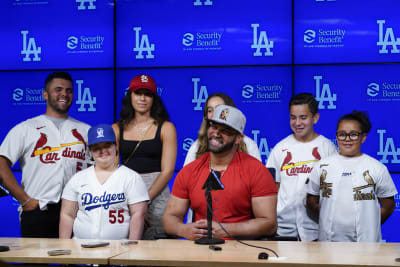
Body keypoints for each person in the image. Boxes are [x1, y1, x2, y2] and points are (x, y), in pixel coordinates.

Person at [163, 105, 277, 240]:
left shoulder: (257, 171)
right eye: (214, 127)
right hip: (200, 250)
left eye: (225, 131)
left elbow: (269, 224)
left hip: (242, 250)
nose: (216, 133)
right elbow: (170, 217)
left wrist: (226, 229)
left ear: (238, 138)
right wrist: (183, 229)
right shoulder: (190, 171)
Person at [0, 71, 91, 238]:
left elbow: (100, 169)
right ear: (45, 94)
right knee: (35, 261)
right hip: (38, 209)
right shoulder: (26, 128)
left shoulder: (85, 130)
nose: (64, 94)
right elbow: (1, 162)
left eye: (69, 90)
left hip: (77, 212)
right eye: (58, 89)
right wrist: (24, 200)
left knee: (74, 262)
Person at [306, 111, 397, 242]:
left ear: (363, 137)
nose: (347, 139)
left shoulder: (377, 168)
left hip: (367, 244)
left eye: (353, 134)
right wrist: (328, 219)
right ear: (336, 136)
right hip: (328, 243)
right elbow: (311, 201)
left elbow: (388, 205)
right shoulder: (321, 166)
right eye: (342, 134)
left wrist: (371, 225)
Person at [112, 74, 177, 240]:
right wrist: (130, 203)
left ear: (154, 98)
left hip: (157, 193)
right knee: (127, 248)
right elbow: (111, 169)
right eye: (138, 93)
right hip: (126, 193)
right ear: (130, 96)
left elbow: (167, 171)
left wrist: (142, 201)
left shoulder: (166, 127)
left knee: (160, 248)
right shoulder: (116, 128)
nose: (142, 98)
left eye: (147, 94)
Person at [266, 92, 337, 241]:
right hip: (283, 231)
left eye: (303, 117)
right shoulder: (280, 148)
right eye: (293, 117)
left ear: (315, 118)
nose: (297, 123)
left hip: (316, 230)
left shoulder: (328, 148)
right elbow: (272, 188)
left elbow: (333, 191)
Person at [59, 124, 149, 240]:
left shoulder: (131, 178)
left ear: (115, 147)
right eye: (96, 148)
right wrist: (64, 246)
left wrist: (132, 247)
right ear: (90, 151)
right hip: (80, 247)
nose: (102, 151)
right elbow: (67, 215)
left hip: (119, 249)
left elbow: (138, 214)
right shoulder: (77, 179)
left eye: (107, 145)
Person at [184, 92, 261, 166]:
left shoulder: (249, 145)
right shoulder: (197, 146)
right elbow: (187, 176)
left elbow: (258, 173)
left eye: (219, 109)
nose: (215, 114)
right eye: (210, 110)